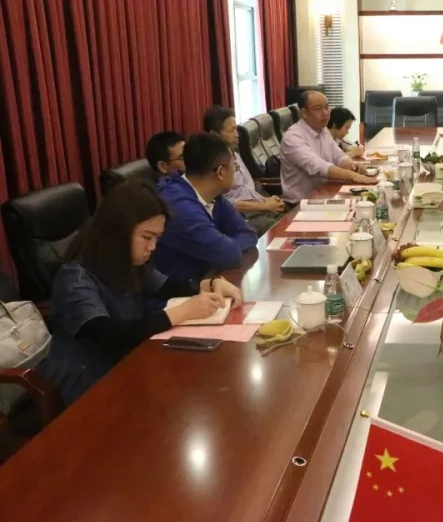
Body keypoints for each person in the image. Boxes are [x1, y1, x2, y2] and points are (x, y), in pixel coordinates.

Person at [37, 180, 243, 407]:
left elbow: (169, 287)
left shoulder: (127, 259)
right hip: (87, 385)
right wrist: (181, 313)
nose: (152, 247)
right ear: (119, 230)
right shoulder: (75, 277)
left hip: (128, 364)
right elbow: (110, 335)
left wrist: (210, 284)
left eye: (157, 238)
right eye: (147, 237)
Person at [154, 133, 258, 281]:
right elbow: (228, 255)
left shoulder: (214, 196)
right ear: (220, 172)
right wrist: (227, 247)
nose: (235, 171)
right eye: (234, 166)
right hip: (178, 289)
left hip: (209, 279)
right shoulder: (179, 206)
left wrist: (227, 246)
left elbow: (249, 233)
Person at [280, 91, 378, 204]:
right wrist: (352, 175)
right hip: (300, 204)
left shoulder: (323, 130)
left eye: (327, 107)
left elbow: (338, 156)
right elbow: (317, 166)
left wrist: (351, 165)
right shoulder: (293, 137)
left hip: (325, 195)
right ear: (304, 113)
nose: (325, 113)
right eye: (319, 109)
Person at [203, 105, 285, 235]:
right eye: (231, 131)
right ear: (214, 134)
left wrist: (267, 200)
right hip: (244, 218)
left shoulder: (234, 153)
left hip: (260, 208)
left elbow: (248, 189)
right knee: (284, 231)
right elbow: (225, 203)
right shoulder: (212, 164)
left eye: (236, 129)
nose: (237, 135)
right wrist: (263, 206)